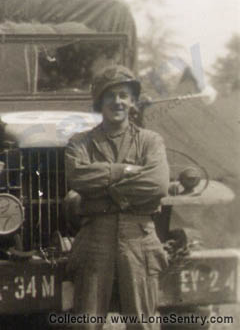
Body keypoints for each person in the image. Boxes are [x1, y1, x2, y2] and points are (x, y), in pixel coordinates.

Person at [65, 65, 170, 330]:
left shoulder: (150, 141)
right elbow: (78, 177)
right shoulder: (80, 143)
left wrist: (108, 190)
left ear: (133, 101)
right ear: (100, 102)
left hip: (139, 239)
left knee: (142, 324)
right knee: (87, 324)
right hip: (95, 239)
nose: (117, 102)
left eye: (123, 95)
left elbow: (157, 183)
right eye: (109, 95)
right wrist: (123, 171)